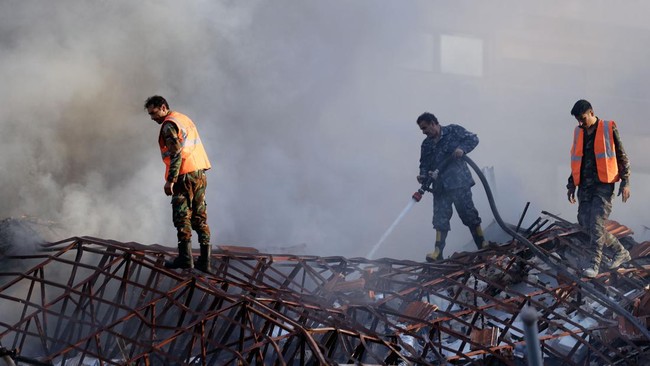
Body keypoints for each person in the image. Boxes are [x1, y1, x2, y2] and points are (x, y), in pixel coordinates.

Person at [144, 95, 213, 273]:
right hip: (199, 172)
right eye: (151, 115)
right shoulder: (183, 119)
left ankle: (185, 258)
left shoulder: (168, 125)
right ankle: (205, 261)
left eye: (154, 113)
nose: (153, 118)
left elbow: (176, 154)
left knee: (182, 215)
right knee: (200, 216)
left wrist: (170, 180)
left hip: (183, 175)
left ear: (163, 107)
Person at [567, 99, 631, 278]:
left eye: (582, 118)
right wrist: (571, 185)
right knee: (585, 222)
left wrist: (625, 182)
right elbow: (576, 160)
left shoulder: (608, 128)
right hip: (585, 187)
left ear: (591, 113)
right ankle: (621, 251)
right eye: (578, 120)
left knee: (596, 222)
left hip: (604, 185)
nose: (580, 123)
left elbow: (622, 156)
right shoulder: (578, 132)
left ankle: (594, 265)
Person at [416, 112, 487, 262]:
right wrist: (422, 175)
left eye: (425, 127)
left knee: (469, 215)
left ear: (434, 123)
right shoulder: (426, 144)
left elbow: (473, 138)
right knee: (440, 219)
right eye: (421, 129)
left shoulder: (453, 131)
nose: (423, 132)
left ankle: (482, 244)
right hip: (440, 188)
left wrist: (462, 149)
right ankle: (437, 252)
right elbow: (424, 163)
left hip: (459, 183)